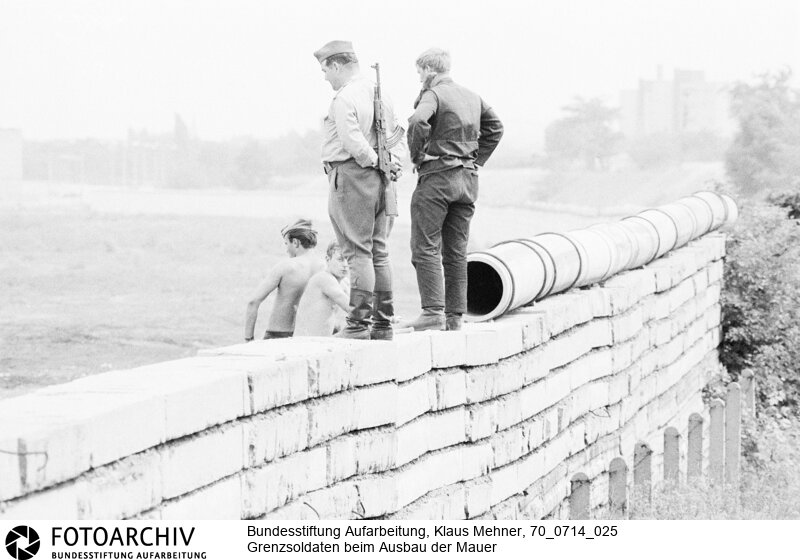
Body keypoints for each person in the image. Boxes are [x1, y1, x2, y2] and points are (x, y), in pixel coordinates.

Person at [402, 48, 504, 332]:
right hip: (468, 182)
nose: (419, 77)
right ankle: (454, 317)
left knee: (424, 246)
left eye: (419, 72)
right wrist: (475, 160)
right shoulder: (472, 96)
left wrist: (418, 156)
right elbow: (496, 128)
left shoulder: (432, 94)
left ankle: (433, 312)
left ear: (428, 70)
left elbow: (417, 121)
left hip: (437, 180)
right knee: (457, 252)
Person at [314, 39, 407, 340]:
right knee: (379, 251)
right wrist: (391, 164)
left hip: (353, 177)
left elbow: (352, 141)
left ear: (337, 65)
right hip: (383, 180)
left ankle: (357, 325)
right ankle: (383, 324)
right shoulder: (382, 95)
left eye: (326, 69)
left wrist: (375, 160)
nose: (325, 76)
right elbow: (397, 137)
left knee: (358, 252)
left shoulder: (344, 98)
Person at [243, 219, 324, 341]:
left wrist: (248, 339)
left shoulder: (286, 266)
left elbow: (253, 302)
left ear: (295, 242)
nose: (286, 249)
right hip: (309, 336)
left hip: (278, 334)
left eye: (286, 244)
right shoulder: (326, 267)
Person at [294, 242, 351, 337]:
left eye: (348, 259)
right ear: (328, 260)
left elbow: (357, 308)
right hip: (304, 342)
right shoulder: (324, 278)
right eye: (340, 260)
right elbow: (351, 308)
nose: (345, 264)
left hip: (320, 341)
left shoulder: (344, 282)